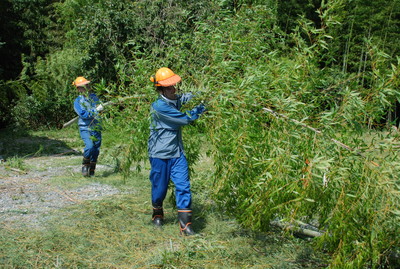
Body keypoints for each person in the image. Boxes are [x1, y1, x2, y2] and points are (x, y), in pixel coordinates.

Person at [148, 67, 206, 235]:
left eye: (174, 85)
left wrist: (206, 93)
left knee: (183, 186)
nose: (173, 89)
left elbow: (186, 97)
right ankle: (157, 212)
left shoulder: (174, 99)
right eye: (168, 87)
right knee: (159, 188)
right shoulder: (159, 107)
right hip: (159, 153)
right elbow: (186, 119)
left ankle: (185, 226)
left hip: (177, 153)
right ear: (160, 89)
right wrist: (202, 108)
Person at [73, 76, 103, 177]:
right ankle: (85, 165)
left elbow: (100, 109)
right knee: (89, 146)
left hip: (96, 126)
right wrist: (96, 110)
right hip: (85, 127)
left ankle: (92, 169)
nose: (86, 87)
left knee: (96, 148)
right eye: (83, 86)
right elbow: (84, 115)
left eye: (86, 85)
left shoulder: (94, 97)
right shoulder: (77, 102)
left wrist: (101, 109)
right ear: (78, 89)